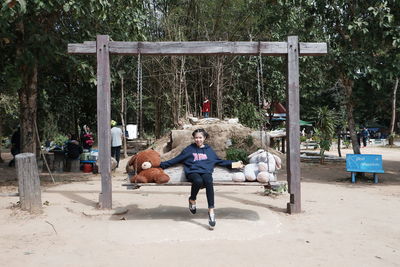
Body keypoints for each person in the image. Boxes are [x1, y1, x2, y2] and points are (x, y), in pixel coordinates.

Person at [160, 128, 241, 228]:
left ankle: (211, 211)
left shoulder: (209, 150)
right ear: (194, 138)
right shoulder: (189, 149)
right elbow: (176, 159)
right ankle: (192, 199)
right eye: (196, 138)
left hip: (206, 172)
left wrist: (235, 164)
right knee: (198, 181)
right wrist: (160, 165)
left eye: (200, 137)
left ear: (205, 138)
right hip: (192, 172)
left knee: (208, 180)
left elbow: (219, 161)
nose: (198, 140)